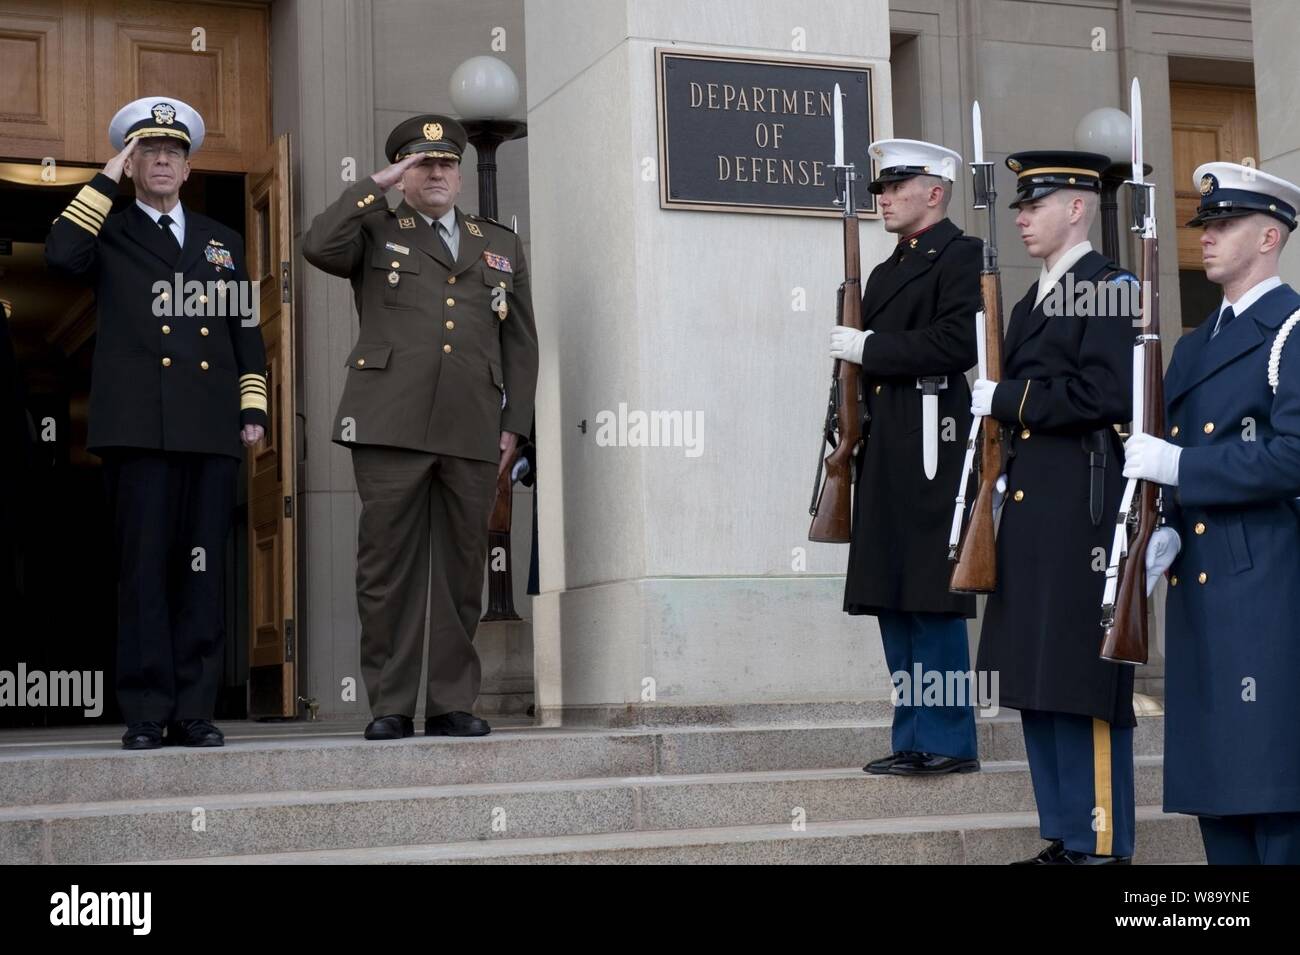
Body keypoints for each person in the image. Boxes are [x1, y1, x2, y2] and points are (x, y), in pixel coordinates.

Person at [302, 115, 538, 740]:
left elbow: (520, 342)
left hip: (473, 425)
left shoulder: (500, 244)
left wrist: (514, 423)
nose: (435, 173)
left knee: (463, 571)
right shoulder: (375, 228)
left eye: (445, 165)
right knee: (388, 571)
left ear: (461, 176)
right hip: (389, 423)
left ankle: (452, 702)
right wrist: (372, 185)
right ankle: (390, 704)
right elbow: (317, 245)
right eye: (421, 164)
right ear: (403, 174)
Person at [45, 97, 268, 750]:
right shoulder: (106, 231)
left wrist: (251, 407)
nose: (162, 160)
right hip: (136, 430)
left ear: (189, 166)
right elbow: (59, 255)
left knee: (201, 572)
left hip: (205, 428)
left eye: (172, 152)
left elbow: (244, 332)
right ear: (132, 162)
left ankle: (194, 710)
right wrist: (103, 178)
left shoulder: (221, 242)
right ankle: (146, 711)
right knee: (143, 574)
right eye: (148, 151)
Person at [1126, 162, 1300, 864]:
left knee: (1272, 788)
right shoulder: (1196, 344)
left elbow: (1292, 457)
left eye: (1224, 225)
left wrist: (1184, 469)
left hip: (1265, 589)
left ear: (1270, 235)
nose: (1208, 237)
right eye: (1205, 225)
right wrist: (1158, 530)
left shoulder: (1290, 330)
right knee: (1219, 793)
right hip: (1201, 590)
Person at [972, 151, 1137, 863]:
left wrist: (1009, 398)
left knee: (1081, 678)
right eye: (1018, 204)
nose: (1020, 216)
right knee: (1036, 677)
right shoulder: (1027, 299)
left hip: (1083, 506)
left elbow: (1107, 395)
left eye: (1034, 203)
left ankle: (1100, 839)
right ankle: (1065, 831)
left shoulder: (1109, 287)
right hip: (1031, 505)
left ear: (1077, 206)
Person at [829, 139, 982, 776]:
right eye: (881, 190)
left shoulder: (961, 255)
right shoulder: (887, 270)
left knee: (931, 594)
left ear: (936, 192)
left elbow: (956, 342)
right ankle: (912, 735)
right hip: (889, 443)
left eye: (896, 187)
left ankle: (947, 739)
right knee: (893, 593)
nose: (884, 199)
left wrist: (870, 347)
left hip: (932, 441)